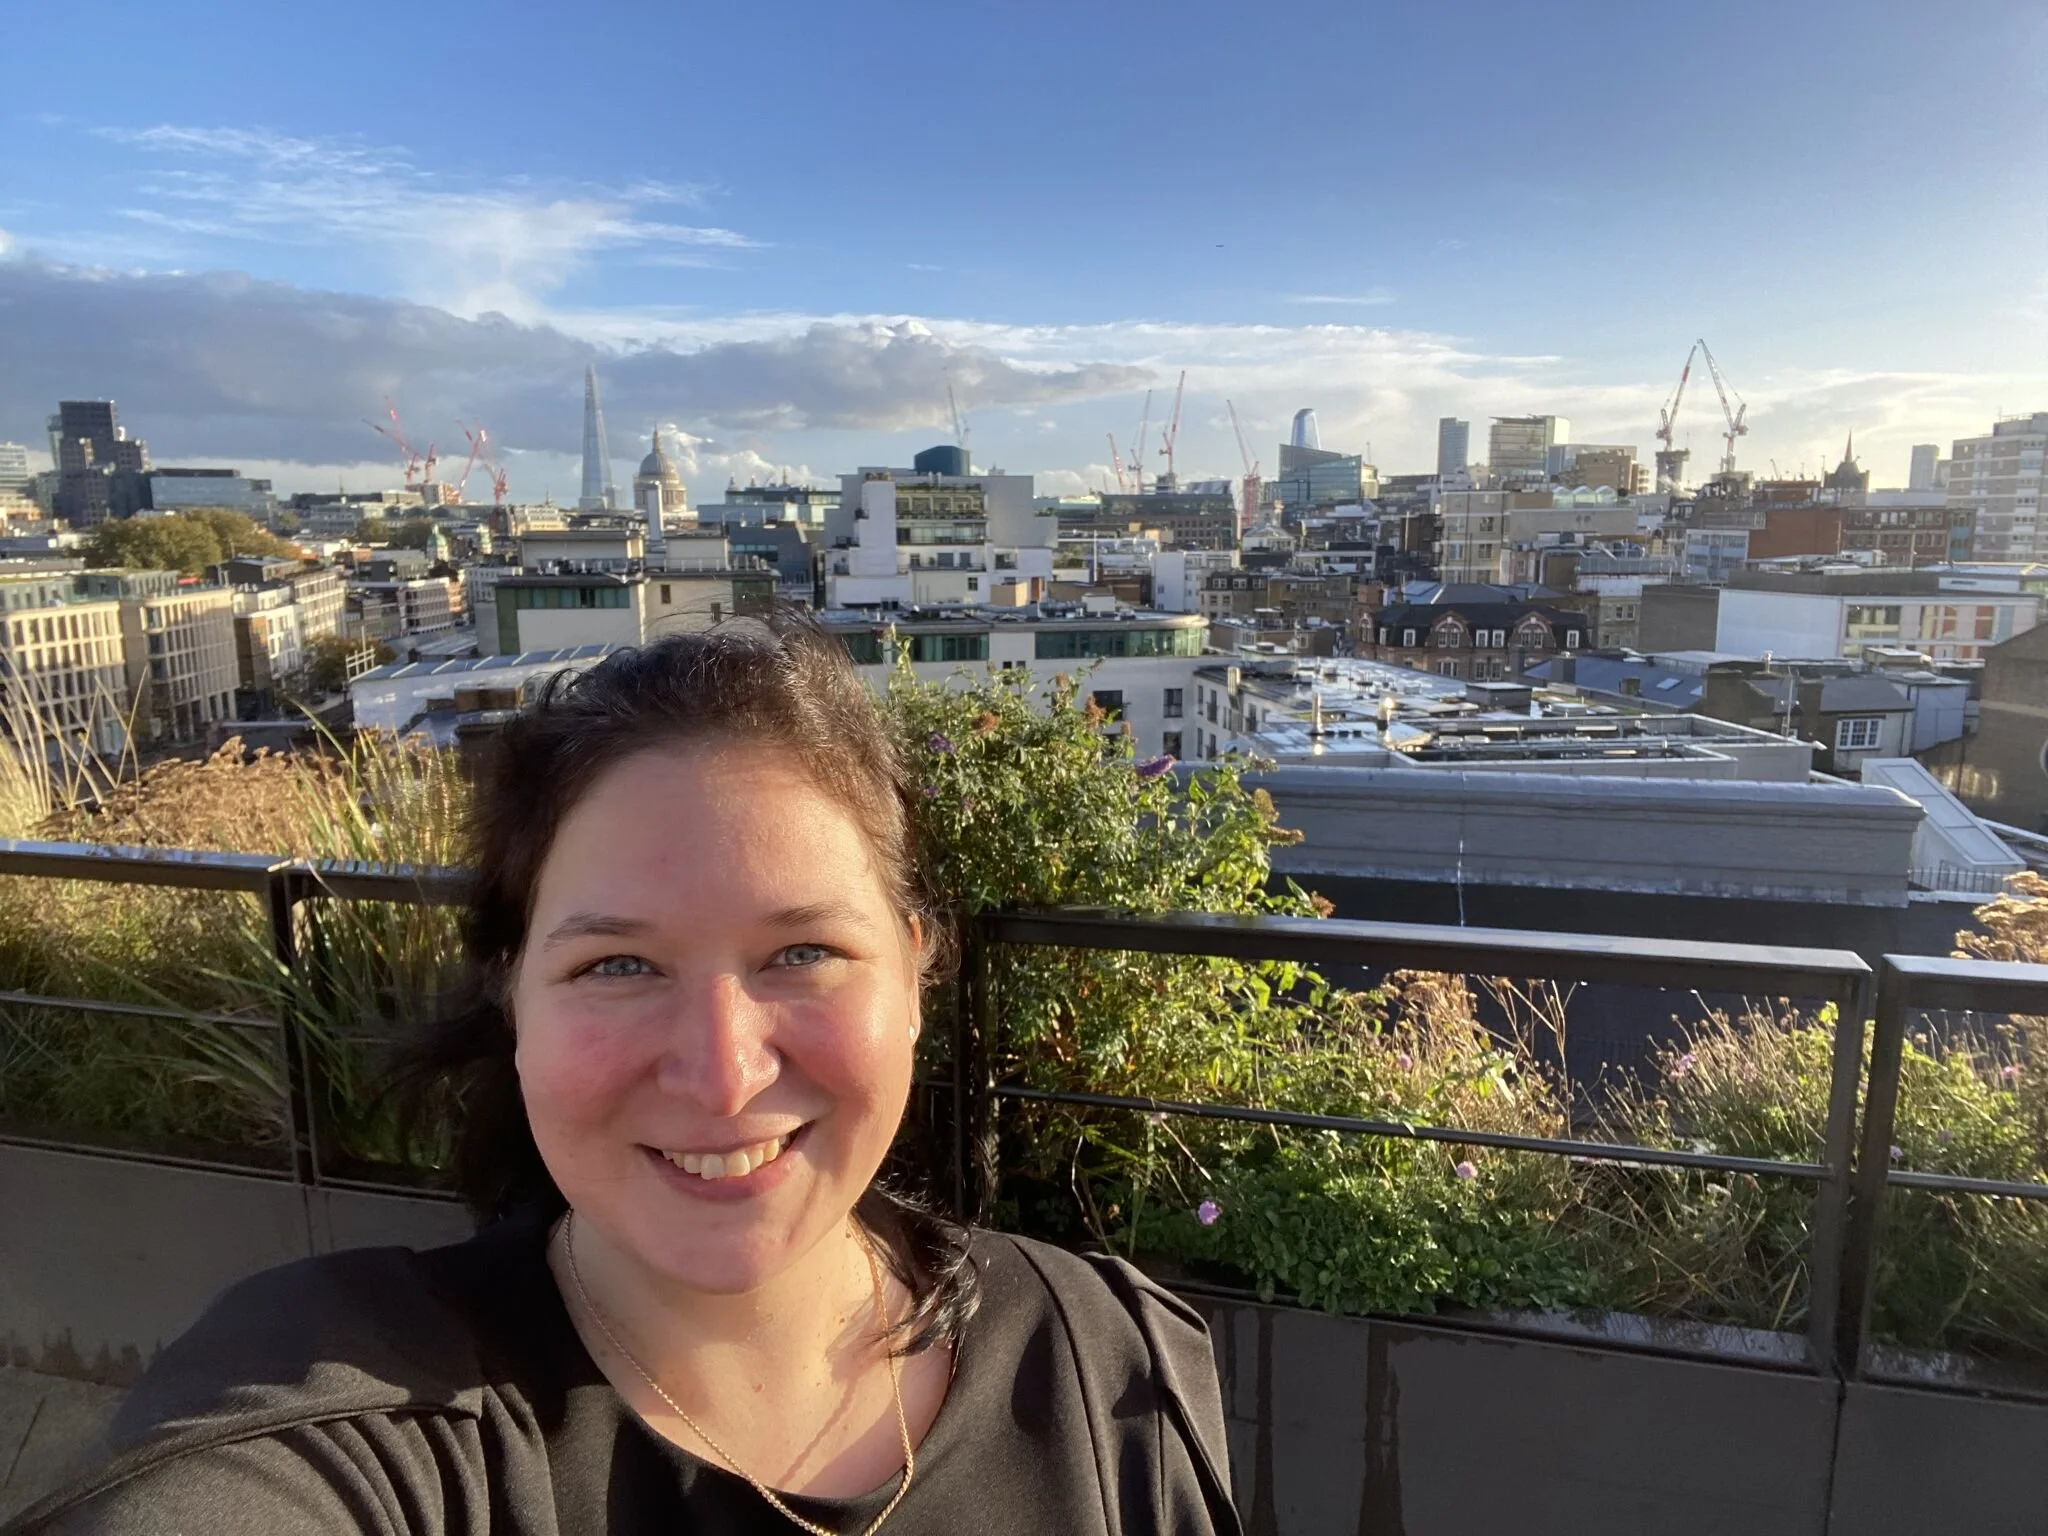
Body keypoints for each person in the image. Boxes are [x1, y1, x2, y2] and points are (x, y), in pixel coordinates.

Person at [15, 615, 1240, 1536]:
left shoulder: (1112, 1362)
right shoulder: (364, 1417)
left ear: (915, 973)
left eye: (802, 951)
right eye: (616, 966)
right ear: (513, 994)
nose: (718, 1073)